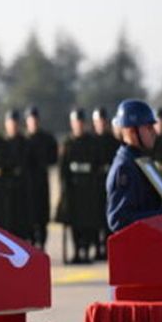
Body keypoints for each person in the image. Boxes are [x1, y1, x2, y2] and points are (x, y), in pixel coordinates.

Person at [106, 99, 162, 233]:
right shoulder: (125, 167)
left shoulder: (139, 160)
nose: (154, 132)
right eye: (148, 127)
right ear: (131, 131)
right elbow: (118, 219)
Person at [55, 109, 102, 263]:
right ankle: (76, 251)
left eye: (81, 123)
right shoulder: (67, 144)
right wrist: (64, 189)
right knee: (74, 223)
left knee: (87, 222)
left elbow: (97, 166)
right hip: (73, 188)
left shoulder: (92, 142)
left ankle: (86, 251)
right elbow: (63, 169)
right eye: (76, 123)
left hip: (88, 189)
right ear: (72, 124)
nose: (79, 126)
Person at [24, 106, 59, 248]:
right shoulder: (23, 140)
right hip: (27, 184)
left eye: (35, 120)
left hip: (42, 182)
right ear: (27, 121)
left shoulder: (47, 138)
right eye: (31, 120)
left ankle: (42, 244)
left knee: (42, 216)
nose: (33, 123)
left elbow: (54, 158)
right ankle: (32, 243)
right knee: (29, 216)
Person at [91, 107, 117, 258]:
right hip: (94, 186)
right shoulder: (91, 142)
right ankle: (97, 247)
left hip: (110, 186)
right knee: (95, 217)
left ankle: (108, 247)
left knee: (109, 218)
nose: (100, 124)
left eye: (102, 121)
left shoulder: (113, 142)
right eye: (97, 122)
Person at [2, 109, 32, 241]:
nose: (13, 126)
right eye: (10, 123)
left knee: (22, 225)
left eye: (15, 123)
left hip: (22, 189)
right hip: (6, 190)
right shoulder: (1, 144)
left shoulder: (25, 143)